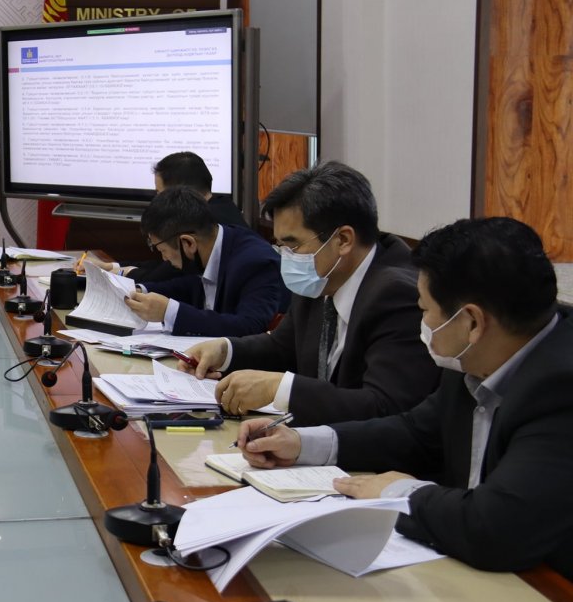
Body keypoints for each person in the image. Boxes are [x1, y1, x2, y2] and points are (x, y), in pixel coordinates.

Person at [236, 217, 573, 580]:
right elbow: (416, 432)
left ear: (473, 323)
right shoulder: (478, 356)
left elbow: (494, 527)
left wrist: (399, 493)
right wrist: (302, 444)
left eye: (425, 311)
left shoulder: (559, 387)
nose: (422, 325)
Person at [182, 161, 439, 426]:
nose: (287, 258)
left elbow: (383, 406)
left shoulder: (397, 295)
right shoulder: (321, 276)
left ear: (343, 240)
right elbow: (282, 347)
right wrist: (225, 350)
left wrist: (282, 389)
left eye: (293, 246)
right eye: (280, 246)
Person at [123, 187, 286, 337]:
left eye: (163, 251)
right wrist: (140, 291)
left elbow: (249, 327)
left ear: (188, 243)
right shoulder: (208, 246)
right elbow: (187, 286)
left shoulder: (257, 263)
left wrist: (169, 312)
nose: (164, 259)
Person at [92, 151, 247, 282]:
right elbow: (168, 264)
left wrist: (121, 272)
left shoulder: (206, 223)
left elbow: (170, 275)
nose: (157, 200)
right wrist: (112, 266)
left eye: (160, 193)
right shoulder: (221, 205)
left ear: (179, 193)